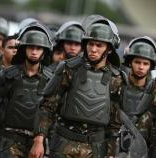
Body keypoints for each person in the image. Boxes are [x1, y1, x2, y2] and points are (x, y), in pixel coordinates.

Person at [29, 17, 126, 158]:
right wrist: (39, 140)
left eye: (99, 45)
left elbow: (114, 123)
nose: (93, 49)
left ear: (109, 49)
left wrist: (111, 154)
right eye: (90, 44)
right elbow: (47, 106)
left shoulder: (117, 78)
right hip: (64, 143)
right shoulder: (69, 68)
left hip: (95, 148)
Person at [0, 23, 54, 158]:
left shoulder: (51, 80)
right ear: (23, 49)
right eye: (31, 47)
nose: (34, 52)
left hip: (36, 143)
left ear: (44, 51)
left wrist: (42, 142)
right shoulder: (8, 75)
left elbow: (51, 115)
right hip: (8, 140)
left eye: (38, 48)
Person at [121, 36, 156, 123]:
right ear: (130, 62)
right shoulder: (117, 83)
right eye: (137, 62)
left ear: (151, 66)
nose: (141, 67)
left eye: (145, 64)